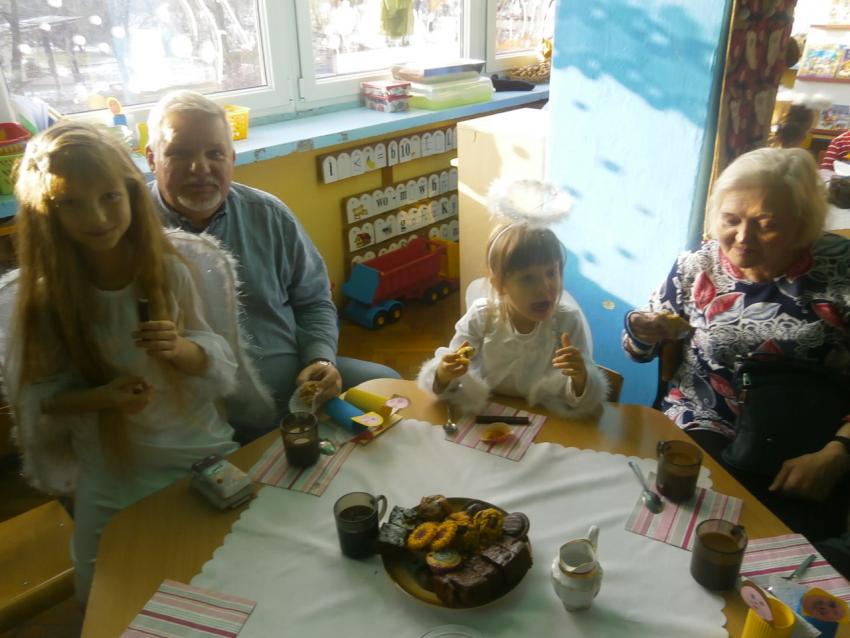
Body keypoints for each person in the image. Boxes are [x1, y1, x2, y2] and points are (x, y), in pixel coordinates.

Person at [0, 122, 246, 601]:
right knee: (105, 592)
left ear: (132, 193)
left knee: (229, 566)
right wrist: (102, 398)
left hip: (195, 449)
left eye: (109, 197)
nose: (96, 216)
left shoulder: (169, 271)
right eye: (71, 203)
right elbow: (40, 400)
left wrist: (180, 348)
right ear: (46, 212)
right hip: (113, 470)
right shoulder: (49, 301)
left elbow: (217, 364)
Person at [622, 147, 850, 570]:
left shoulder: (841, 272)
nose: (743, 238)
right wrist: (641, 329)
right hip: (700, 424)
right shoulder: (697, 266)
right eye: (731, 220)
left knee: (771, 566)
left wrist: (838, 453)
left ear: (802, 223)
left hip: (804, 448)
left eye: (767, 224)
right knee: (663, 542)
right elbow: (638, 350)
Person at [145, 90, 400, 442]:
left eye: (215, 154)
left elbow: (314, 300)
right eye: (180, 153)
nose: (200, 168)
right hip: (198, 415)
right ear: (152, 158)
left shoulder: (269, 215)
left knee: (390, 387)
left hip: (294, 386)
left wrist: (321, 360)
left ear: (232, 159)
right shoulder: (129, 231)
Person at [418, 222, 608, 417]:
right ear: (500, 285)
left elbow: (582, 398)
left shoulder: (567, 322)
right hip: (487, 413)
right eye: (527, 278)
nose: (545, 287)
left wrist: (580, 376)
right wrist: (443, 374)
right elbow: (450, 378)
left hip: (546, 416)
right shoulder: (481, 318)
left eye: (552, 272)